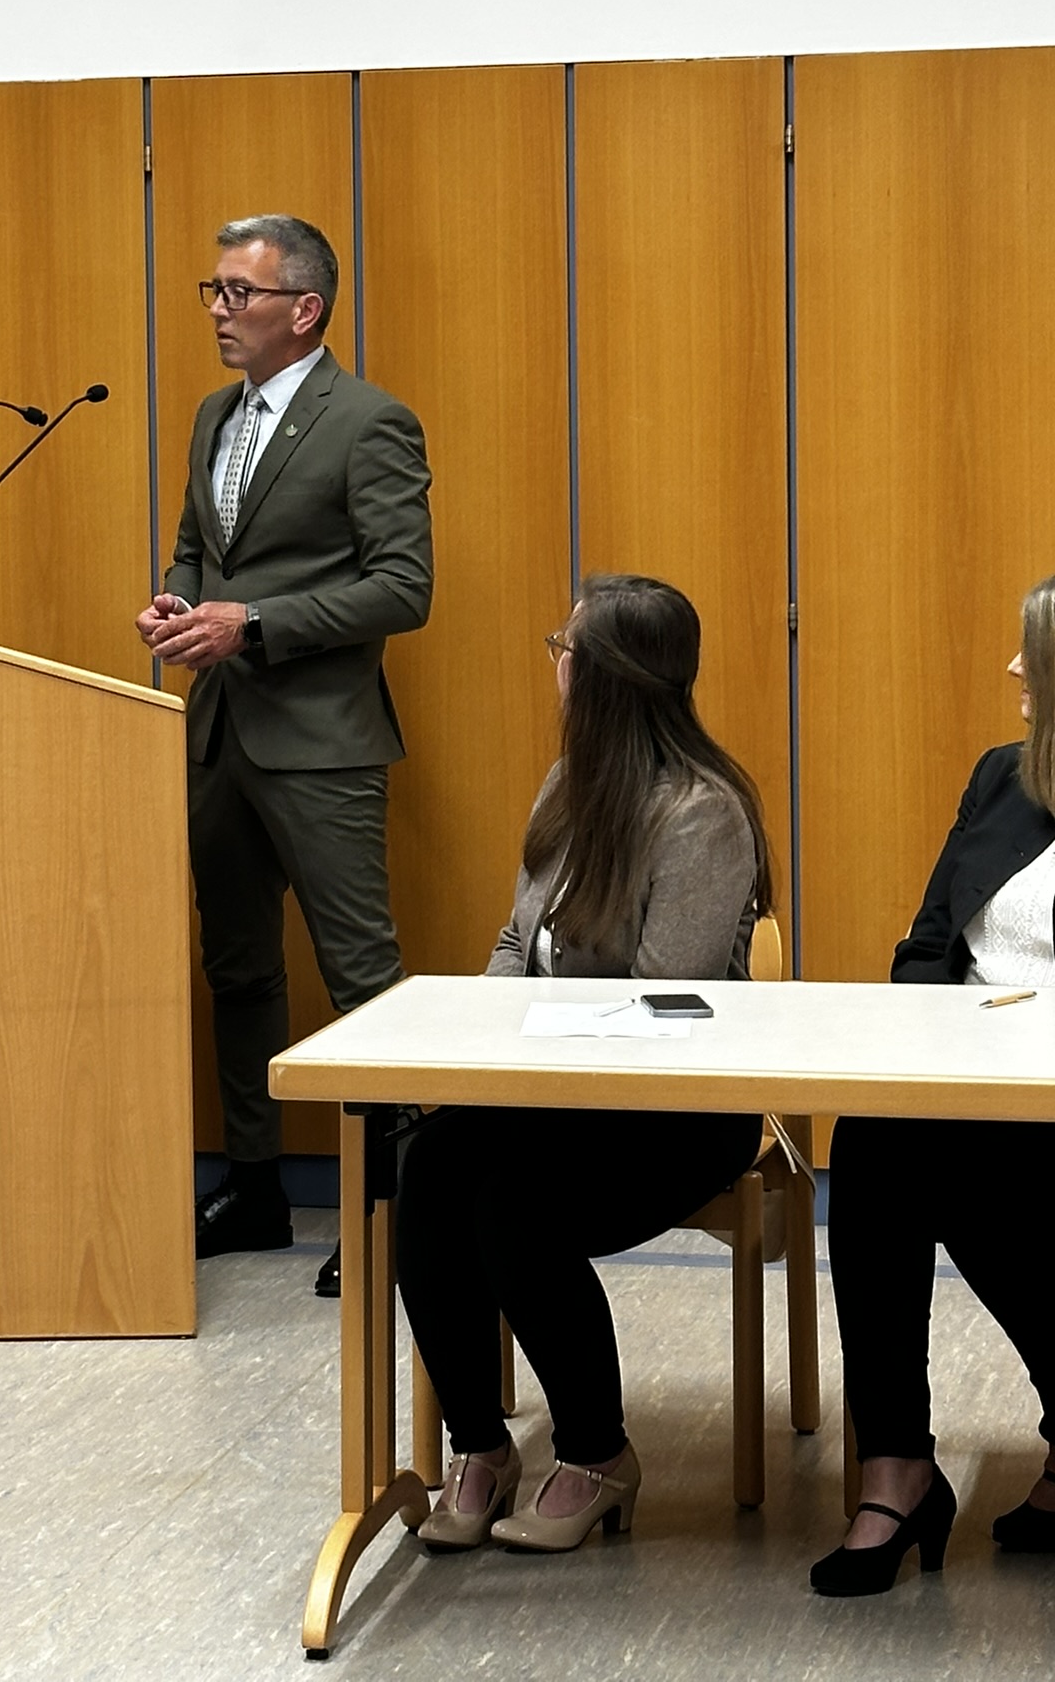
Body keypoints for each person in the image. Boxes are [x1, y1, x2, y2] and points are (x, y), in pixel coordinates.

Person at [395, 574, 773, 1553]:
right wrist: (480, 1033)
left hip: (677, 1112)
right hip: (552, 1090)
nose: (555, 663)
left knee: (512, 1201)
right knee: (428, 1166)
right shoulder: (570, 783)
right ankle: (480, 1447)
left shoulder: (703, 811)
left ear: (605, 675)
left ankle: (598, 1455)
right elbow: (518, 942)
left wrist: (528, 1050)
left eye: (564, 647)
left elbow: (665, 1001)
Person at [137, 214, 432, 1280]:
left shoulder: (370, 422)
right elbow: (197, 544)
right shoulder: (215, 415)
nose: (219, 311)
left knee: (363, 978)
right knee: (237, 968)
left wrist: (252, 623)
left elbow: (403, 588)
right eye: (214, 290)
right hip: (218, 732)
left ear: (304, 309)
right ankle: (255, 1184)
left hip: (321, 743)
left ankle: (392, 1210)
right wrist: (179, 604)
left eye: (239, 293)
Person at [809, 572, 1055, 1598]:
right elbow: (926, 946)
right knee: (874, 1138)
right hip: (975, 1079)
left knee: (957, 1173)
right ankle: (896, 1465)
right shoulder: (1002, 777)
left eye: (1033, 651)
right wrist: (931, 1039)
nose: (1013, 667)